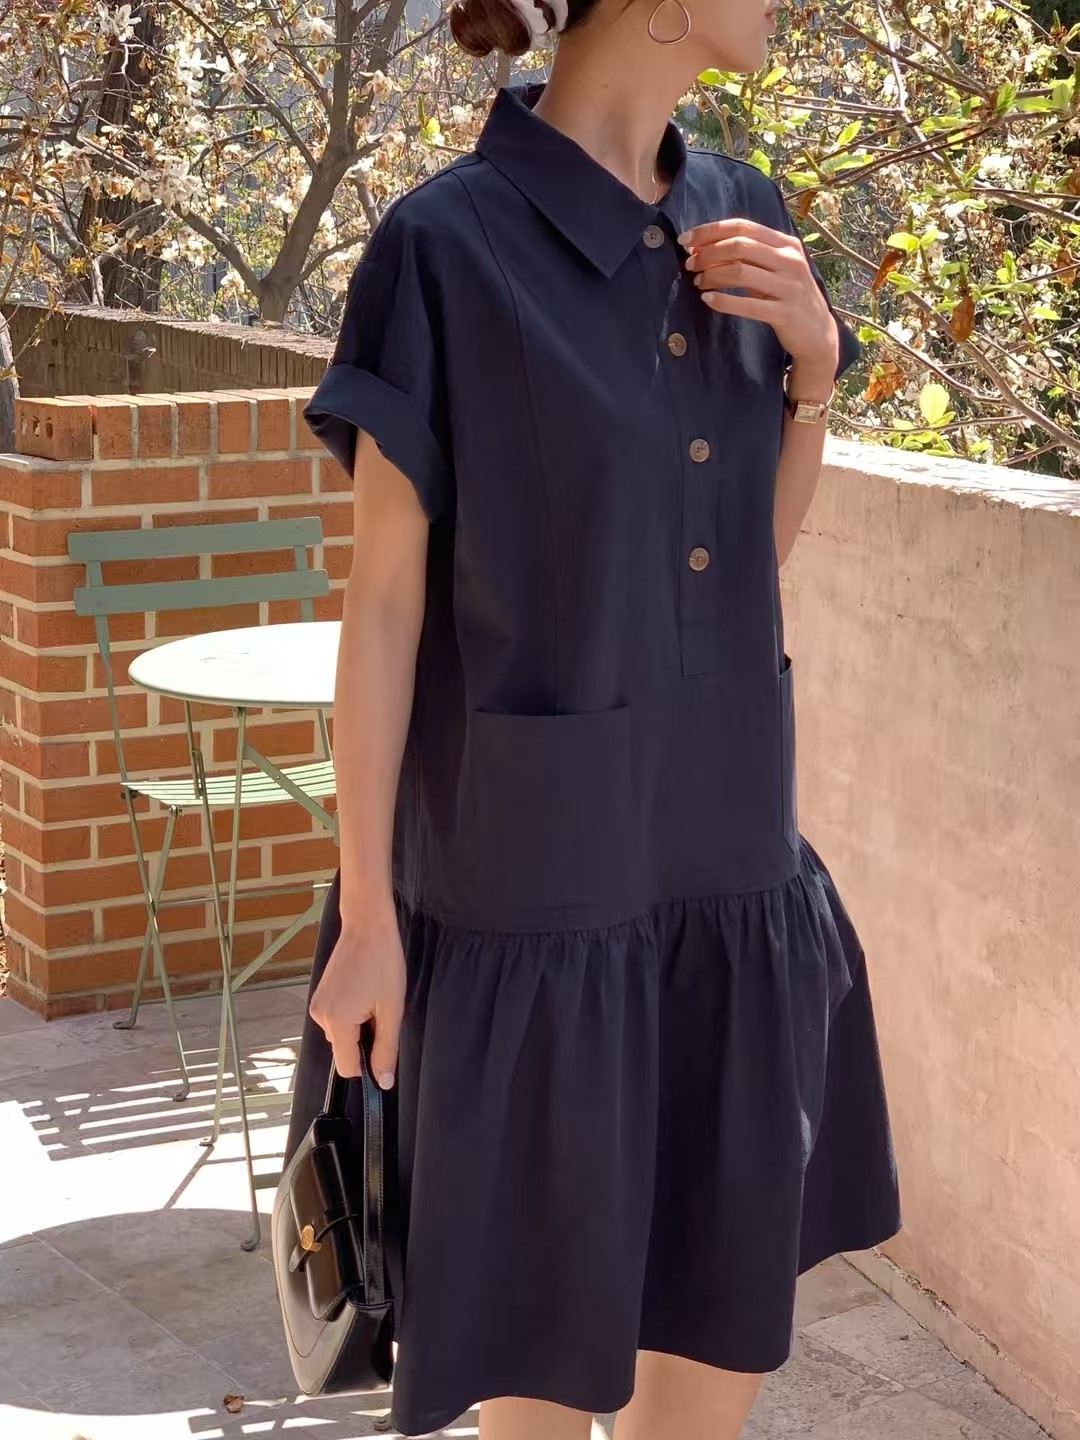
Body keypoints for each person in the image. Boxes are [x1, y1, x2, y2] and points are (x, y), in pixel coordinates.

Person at [287, 0, 903, 1434]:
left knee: (708, 1377)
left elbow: (752, 553)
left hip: (724, 872)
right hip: (529, 904)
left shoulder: (745, 220)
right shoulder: (444, 248)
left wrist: (815, 371)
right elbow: (383, 605)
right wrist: (368, 915)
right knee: (535, 1399)